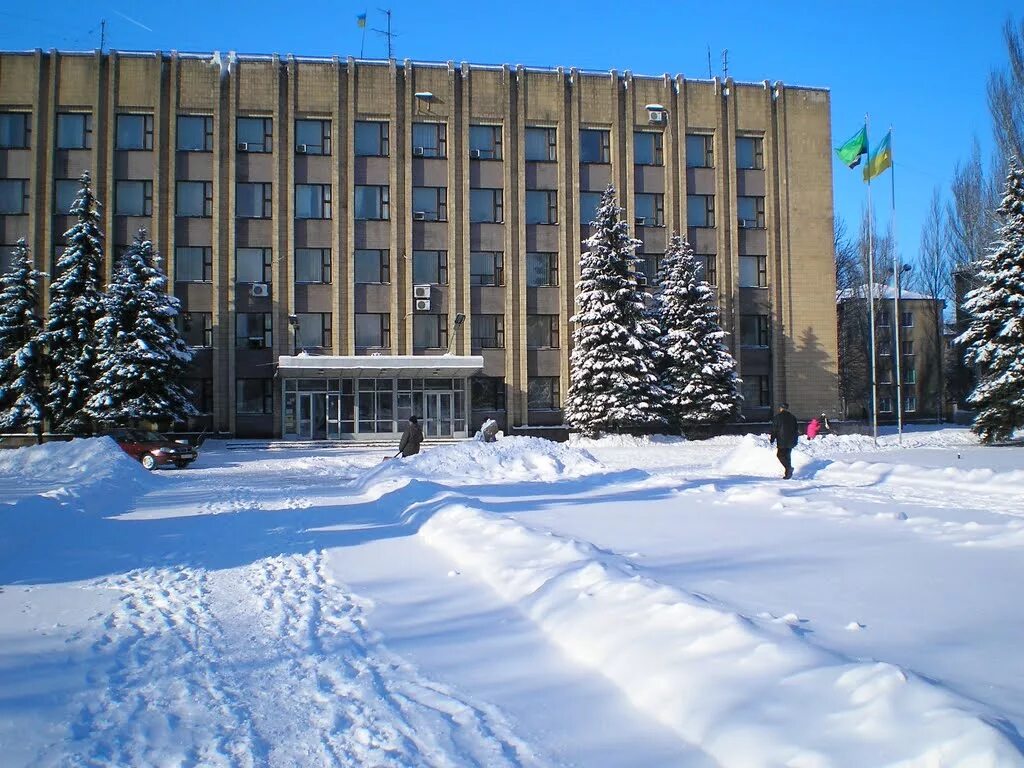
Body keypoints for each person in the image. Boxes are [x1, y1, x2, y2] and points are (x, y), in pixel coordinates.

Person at [769, 403, 799, 479]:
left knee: (780, 455)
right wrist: (795, 440)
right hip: (791, 440)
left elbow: (774, 429)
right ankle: (788, 474)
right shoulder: (792, 417)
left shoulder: (777, 417)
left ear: (781, 408)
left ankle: (789, 469)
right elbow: (796, 430)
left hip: (782, 440)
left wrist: (772, 439)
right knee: (787, 456)